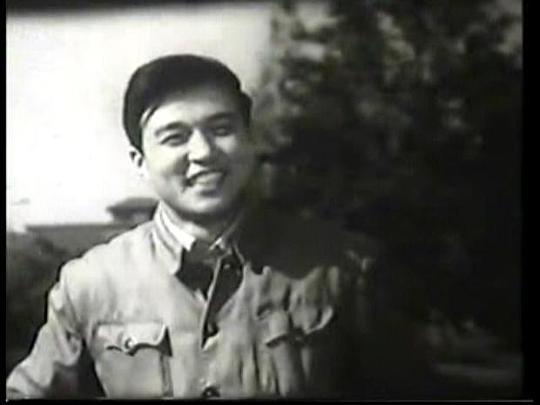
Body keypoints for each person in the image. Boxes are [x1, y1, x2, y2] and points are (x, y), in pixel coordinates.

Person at [6, 54, 451, 399]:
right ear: (140, 162)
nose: (203, 152)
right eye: (175, 137)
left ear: (250, 140)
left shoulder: (345, 268)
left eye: (221, 128)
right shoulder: (89, 283)